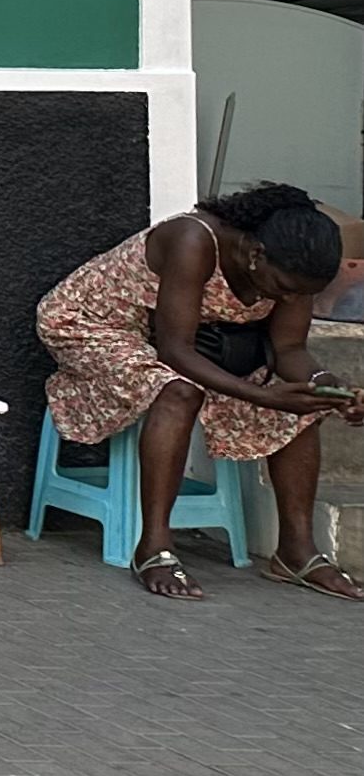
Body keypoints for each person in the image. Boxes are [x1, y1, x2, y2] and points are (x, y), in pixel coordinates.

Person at [36, 182, 362, 600]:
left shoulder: (292, 272)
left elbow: (289, 349)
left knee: (297, 401)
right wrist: (263, 396)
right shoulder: (194, 240)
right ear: (256, 254)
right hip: (90, 323)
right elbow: (174, 352)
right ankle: (153, 548)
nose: (290, 297)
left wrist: (327, 388)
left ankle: (296, 553)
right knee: (177, 390)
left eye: (302, 293)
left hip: (163, 333)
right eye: (284, 287)